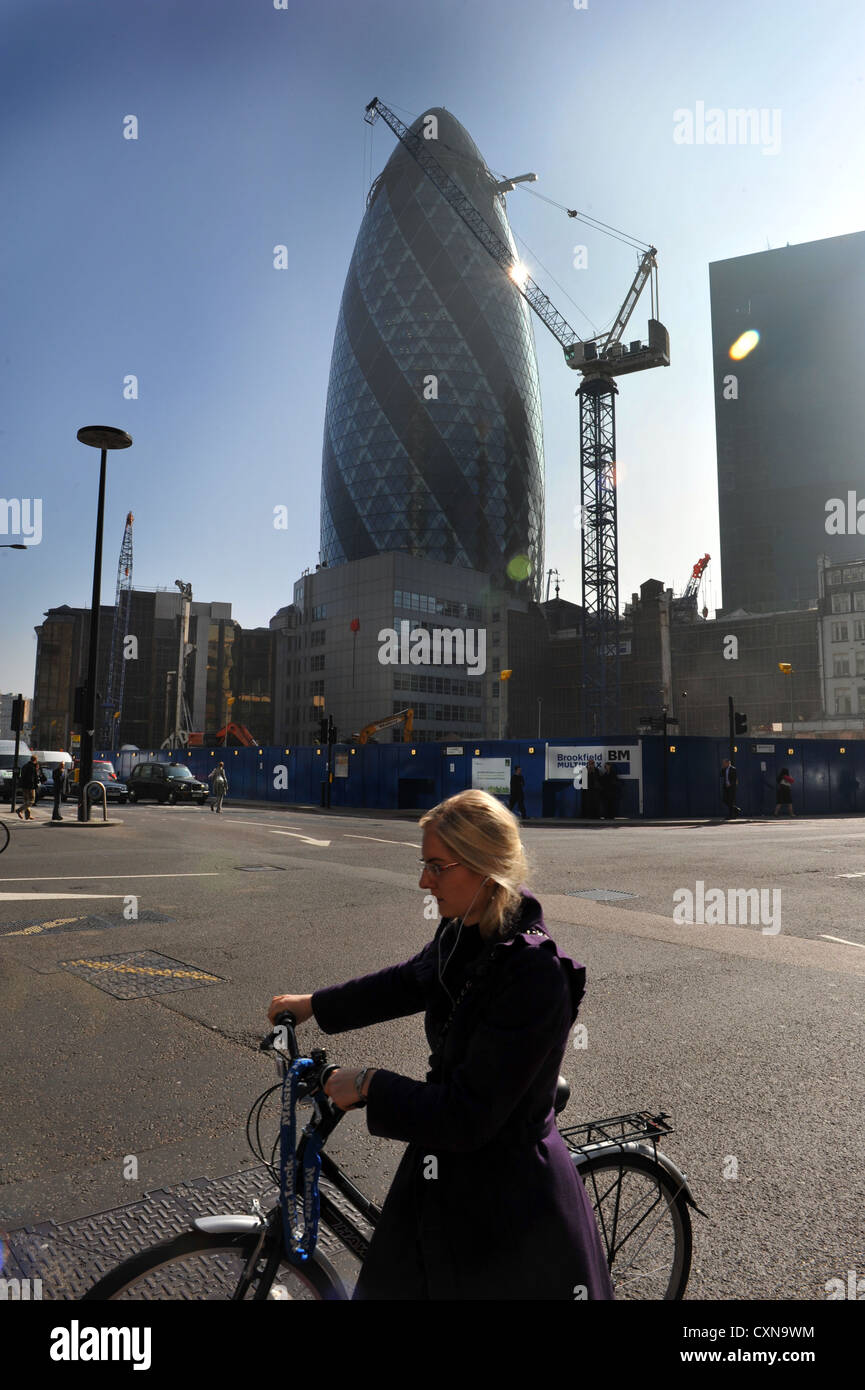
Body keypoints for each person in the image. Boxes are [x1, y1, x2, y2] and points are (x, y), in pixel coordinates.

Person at [268, 789, 614, 1301]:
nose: (423, 880)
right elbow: (408, 982)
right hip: (443, 1165)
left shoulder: (534, 974)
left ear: (483, 867)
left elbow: (468, 1115)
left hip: (506, 1198)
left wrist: (368, 1085)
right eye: (423, 864)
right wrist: (315, 1004)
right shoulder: (461, 931)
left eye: (437, 866)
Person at [17, 755, 43, 820]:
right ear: (35, 760)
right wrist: (35, 784)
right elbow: (33, 778)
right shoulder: (33, 767)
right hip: (30, 786)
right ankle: (19, 810)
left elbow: (21, 776)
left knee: (26, 801)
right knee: (31, 800)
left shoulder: (25, 766)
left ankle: (28, 815)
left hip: (24, 786)